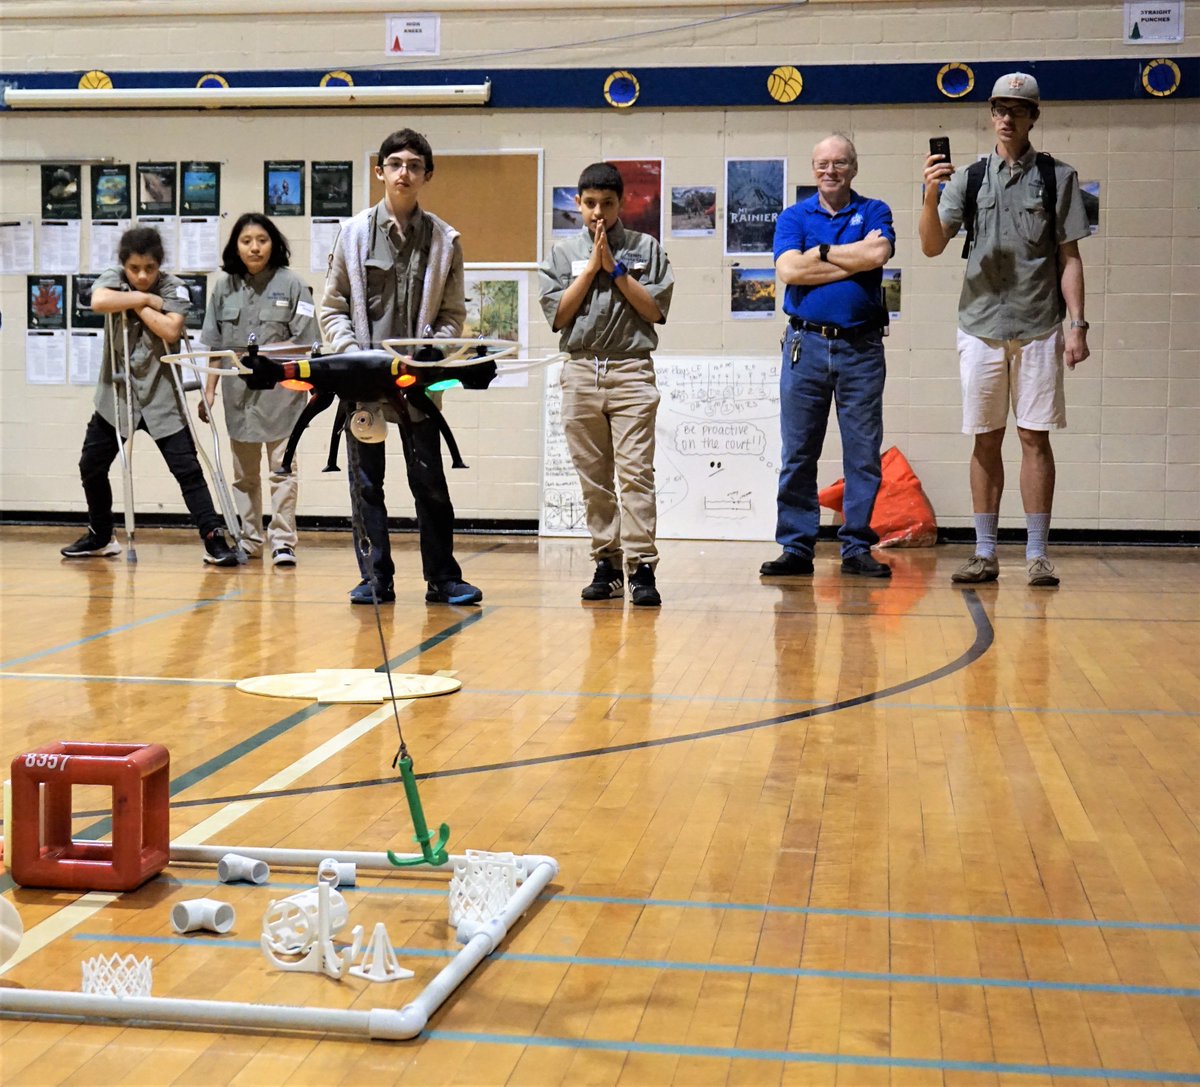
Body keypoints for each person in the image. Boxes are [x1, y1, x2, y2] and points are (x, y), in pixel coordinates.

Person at [920, 72, 1091, 587]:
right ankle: (986, 552)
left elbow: (1070, 257)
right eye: (999, 108)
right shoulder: (968, 179)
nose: (1007, 117)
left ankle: (1037, 554)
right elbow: (931, 246)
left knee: (1034, 438)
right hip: (980, 327)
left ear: (1034, 116)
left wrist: (1078, 325)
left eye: (1018, 109)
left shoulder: (1058, 177)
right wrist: (929, 193)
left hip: (1039, 325)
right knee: (985, 439)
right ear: (991, 115)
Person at [320, 128, 479, 606]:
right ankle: (375, 577)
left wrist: (434, 352)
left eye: (413, 165)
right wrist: (353, 356)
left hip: (418, 382)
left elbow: (453, 315)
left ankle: (443, 578)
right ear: (379, 172)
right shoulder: (350, 235)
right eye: (395, 164)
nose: (403, 172)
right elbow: (332, 308)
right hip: (364, 381)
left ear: (426, 175)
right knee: (366, 483)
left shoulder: (445, 240)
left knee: (429, 479)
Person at [61, 225, 239, 566]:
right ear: (123, 265)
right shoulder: (114, 277)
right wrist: (146, 299)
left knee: (188, 471)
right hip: (117, 397)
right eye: (134, 269)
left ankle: (213, 537)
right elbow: (98, 300)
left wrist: (134, 303)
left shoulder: (175, 287)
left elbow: (171, 328)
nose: (142, 276)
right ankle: (101, 534)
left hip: (162, 397)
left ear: (160, 265)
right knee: (91, 466)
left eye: (150, 269)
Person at [538, 162, 675, 607]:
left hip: (631, 369)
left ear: (622, 204)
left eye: (608, 204)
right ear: (577, 203)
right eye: (590, 203)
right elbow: (558, 317)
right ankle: (607, 563)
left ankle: (642, 567)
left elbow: (654, 311)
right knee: (594, 478)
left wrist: (614, 269)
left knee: (635, 473)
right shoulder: (561, 254)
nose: (599, 212)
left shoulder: (646, 248)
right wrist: (590, 268)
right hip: (581, 370)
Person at [760, 134, 895, 581]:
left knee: (862, 453)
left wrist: (817, 253)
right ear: (812, 168)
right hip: (806, 347)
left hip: (862, 348)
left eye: (839, 163)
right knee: (798, 451)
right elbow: (788, 271)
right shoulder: (793, 217)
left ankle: (857, 546)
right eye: (822, 164)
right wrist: (850, 261)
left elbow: (878, 253)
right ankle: (796, 547)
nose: (830, 171)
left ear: (853, 167)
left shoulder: (875, 210)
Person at [199, 213, 317, 566]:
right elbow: (215, 346)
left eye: (262, 240)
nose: (254, 247)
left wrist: (307, 385)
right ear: (236, 245)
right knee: (244, 477)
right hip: (240, 399)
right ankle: (250, 539)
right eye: (246, 240)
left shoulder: (293, 285)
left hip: (283, 397)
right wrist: (209, 391)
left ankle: (283, 542)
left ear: (273, 244)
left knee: (283, 472)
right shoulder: (223, 287)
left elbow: (307, 343)